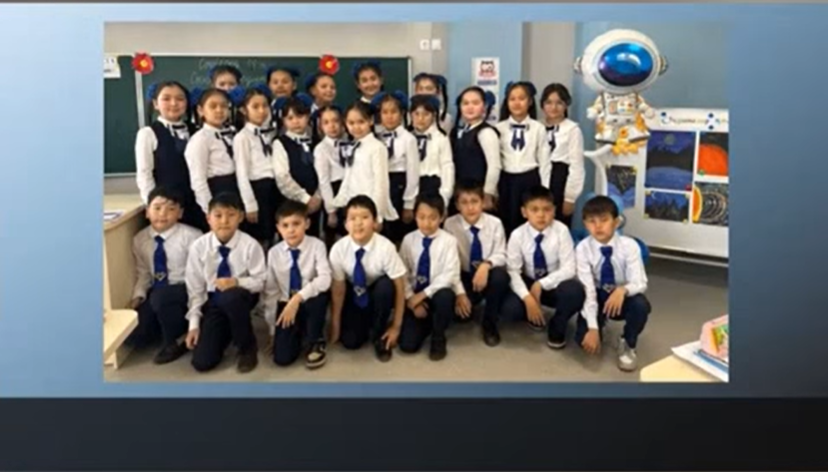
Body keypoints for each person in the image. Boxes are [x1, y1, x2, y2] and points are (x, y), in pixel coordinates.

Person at [184, 192, 267, 374]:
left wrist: (236, 282)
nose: (224, 221)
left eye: (231, 215)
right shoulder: (199, 247)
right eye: (218, 215)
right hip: (213, 301)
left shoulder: (250, 245)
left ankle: (247, 347)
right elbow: (195, 289)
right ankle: (228, 330)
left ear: (241, 217)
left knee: (231, 298)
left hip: (241, 297)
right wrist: (194, 325)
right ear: (208, 218)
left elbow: (260, 281)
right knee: (202, 362)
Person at [501, 185, 585, 348]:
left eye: (547, 209)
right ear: (524, 212)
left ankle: (557, 325)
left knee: (575, 292)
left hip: (553, 282)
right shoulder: (517, 235)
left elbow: (569, 268)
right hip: (528, 281)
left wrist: (541, 284)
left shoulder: (561, 231)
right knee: (509, 309)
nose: (541, 215)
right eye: (534, 209)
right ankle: (533, 314)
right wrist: (527, 298)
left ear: (554, 211)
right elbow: (513, 271)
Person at [575, 195, 651, 371]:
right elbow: (588, 290)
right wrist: (592, 328)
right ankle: (599, 322)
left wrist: (622, 290)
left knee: (640, 305)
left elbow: (640, 282)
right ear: (585, 224)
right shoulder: (582, 248)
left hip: (621, 297)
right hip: (597, 294)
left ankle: (628, 342)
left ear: (616, 222)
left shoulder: (629, 246)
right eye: (592, 221)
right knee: (582, 341)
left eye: (604, 220)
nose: (598, 226)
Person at [128, 187, 203, 364]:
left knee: (161, 296)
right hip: (157, 291)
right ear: (147, 212)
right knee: (133, 338)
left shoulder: (192, 236)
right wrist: (137, 297)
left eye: (171, 209)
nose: (163, 214)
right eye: (157, 208)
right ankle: (172, 327)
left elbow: (199, 278)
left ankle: (174, 342)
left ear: (180, 213)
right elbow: (144, 272)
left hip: (185, 289)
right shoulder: (140, 239)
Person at [328, 196, 407, 362]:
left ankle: (380, 333)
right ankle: (363, 323)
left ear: (375, 222)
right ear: (345, 224)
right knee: (350, 342)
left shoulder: (386, 247)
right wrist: (335, 326)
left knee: (386, 286)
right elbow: (338, 290)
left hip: (377, 293)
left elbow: (400, 287)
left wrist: (396, 327)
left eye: (365, 217)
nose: (358, 223)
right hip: (354, 293)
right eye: (352, 218)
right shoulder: (338, 249)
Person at [263, 201, 332, 369]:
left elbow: (325, 279)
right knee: (282, 358)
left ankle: (315, 340)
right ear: (278, 228)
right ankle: (299, 332)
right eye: (285, 225)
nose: (291, 230)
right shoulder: (273, 253)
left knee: (319, 296)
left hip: (308, 300)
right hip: (286, 303)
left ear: (307, 224)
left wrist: (298, 298)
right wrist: (273, 330)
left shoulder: (317, 246)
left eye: (296, 224)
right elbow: (271, 292)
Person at [443, 181, 510, 347]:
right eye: (464, 202)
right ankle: (471, 303)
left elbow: (502, 254)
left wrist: (486, 265)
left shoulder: (495, 223)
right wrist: (460, 293)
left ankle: (489, 323)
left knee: (500, 277)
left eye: (474, 201)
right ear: (457, 206)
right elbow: (449, 262)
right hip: (463, 275)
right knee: (460, 316)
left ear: (483, 202)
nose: (470, 207)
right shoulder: (450, 224)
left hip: (488, 273)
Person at [135, 81, 206, 231]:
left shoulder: (198, 131)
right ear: (156, 104)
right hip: (168, 207)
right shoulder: (148, 133)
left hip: (198, 203)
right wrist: (155, 207)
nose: (173, 103)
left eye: (180, 99)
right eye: (166, 99)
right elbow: (144, 174)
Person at [398, 194, 460, 361]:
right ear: (415, 216)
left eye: (432, 218)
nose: (427, 223)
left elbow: (451, 274)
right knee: (407, 345)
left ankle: (438, 336)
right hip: (414, 297)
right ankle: (427, 323)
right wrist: (412, 299)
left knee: (446, 295)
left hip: (436, 294)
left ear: (442, 217)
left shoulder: (449, 241)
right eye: (422, 217)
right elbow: (402, 273)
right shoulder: (408, 240)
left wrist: (423, 295)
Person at [495, 81, 551, 236]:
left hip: (530, 179)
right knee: (507, 221)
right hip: (506, 181)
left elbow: (545, 161)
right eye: (512, 99)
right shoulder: (498, 128)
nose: (517, 103)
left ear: (530, 101)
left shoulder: (538, 128)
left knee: (530, 223)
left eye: (521, 98)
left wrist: (544, 189)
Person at [331, 101, 397, 225]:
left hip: (370, 208)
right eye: (351, 123)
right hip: (352, 206)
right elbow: (348, 177)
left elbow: (381, 184)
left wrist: (377, 215)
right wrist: (340, 201)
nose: (356, 127)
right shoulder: (352, 146)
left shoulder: (377, 147)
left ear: (370, 121)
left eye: (361, 122)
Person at [232, 85, 282, 247]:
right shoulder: (242, 137)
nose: (261, 111)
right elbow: (242, 173)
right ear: (244, 110)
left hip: (274, 189)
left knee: (276, 234)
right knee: (259, 238)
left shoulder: (272, 133)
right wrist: (250, 204)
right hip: (257, 190)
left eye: (265, 106)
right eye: (255, 106)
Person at [272, 94, 324, 238]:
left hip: (316, 202)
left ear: (308, 117)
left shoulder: (316, 142)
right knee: (292, 237)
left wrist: (318, 196)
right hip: (291, 202)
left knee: (313, 237)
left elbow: (324, 173)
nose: (296, 121)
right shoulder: (280, 143)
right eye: (290, 118)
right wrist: (305, 198)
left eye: (300, 116)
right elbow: (282, 176)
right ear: (284, 121)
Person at [372, 91, 419, 244]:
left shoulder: (408, 139)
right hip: (380, 184)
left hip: (399, 184)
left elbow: (413, 172)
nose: (389, 116)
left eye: (393, 112)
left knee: (398, 231)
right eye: (385, 112)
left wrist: (409, 203)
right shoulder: (376, 137)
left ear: (402, 113)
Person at [539, 83, 585, 228]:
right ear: (542, 105)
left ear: (566, 105)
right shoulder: (537, 127)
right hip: (538, 177)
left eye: (559, 103)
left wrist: (570, 197)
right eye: (549, 102)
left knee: (558, 225)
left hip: (560, 180)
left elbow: (577, 165)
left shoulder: (572, 130)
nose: (553, 107)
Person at [449, 86, 500, 215]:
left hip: (478, 193)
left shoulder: (486, 132)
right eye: (465, 103)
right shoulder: (457, 132)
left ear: (484, 107)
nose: (470, 107)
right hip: (461, 192)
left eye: (475, 103)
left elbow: (494, 165)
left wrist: (488, 193)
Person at [313, 105, 349, 247]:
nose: (332, 126)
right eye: (326, 122)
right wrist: (331, 210)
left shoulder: (350, 143)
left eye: (335, 121)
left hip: (350, 190)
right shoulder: (321, 149)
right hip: (334, 192)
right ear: (320, 127)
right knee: (334, 237)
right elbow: (324, 181)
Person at [410, 94, 454, 207]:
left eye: (426, 114)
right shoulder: (408, 138)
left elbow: (447, 167)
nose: (421, 119)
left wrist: (445, 195)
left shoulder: (441, 138)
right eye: (416, 114)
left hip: (433, 186)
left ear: (434, 116)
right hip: (411, 187)